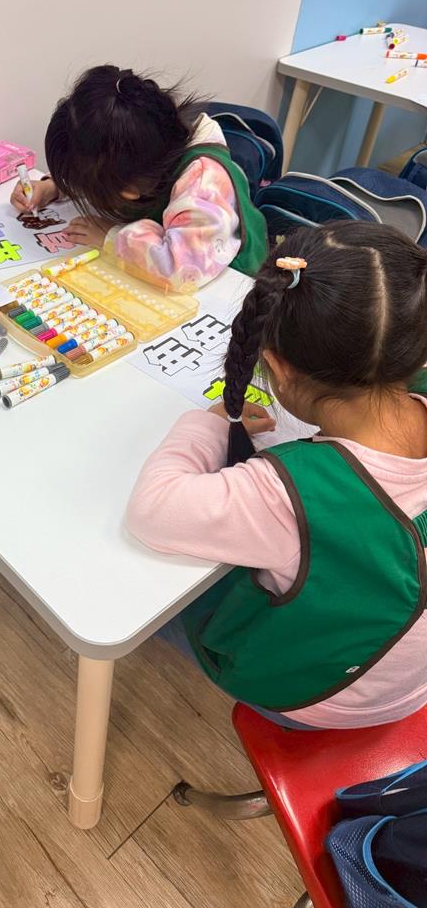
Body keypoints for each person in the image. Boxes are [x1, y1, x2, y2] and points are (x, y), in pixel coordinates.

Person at [126, 221, 427, 728]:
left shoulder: (289, 494)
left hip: (324, 698)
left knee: (146, 601)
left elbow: (151, 510)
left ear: (279, 369)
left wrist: (208, 423)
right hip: (410, 679)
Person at [11, 64, 267, 291]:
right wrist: (53, 187)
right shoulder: (148, 142)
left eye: (87, 186)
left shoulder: (203, 185)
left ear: (129, 191)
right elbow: (100, 166)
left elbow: (180, 270)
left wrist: (111, 237)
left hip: (234, 286)